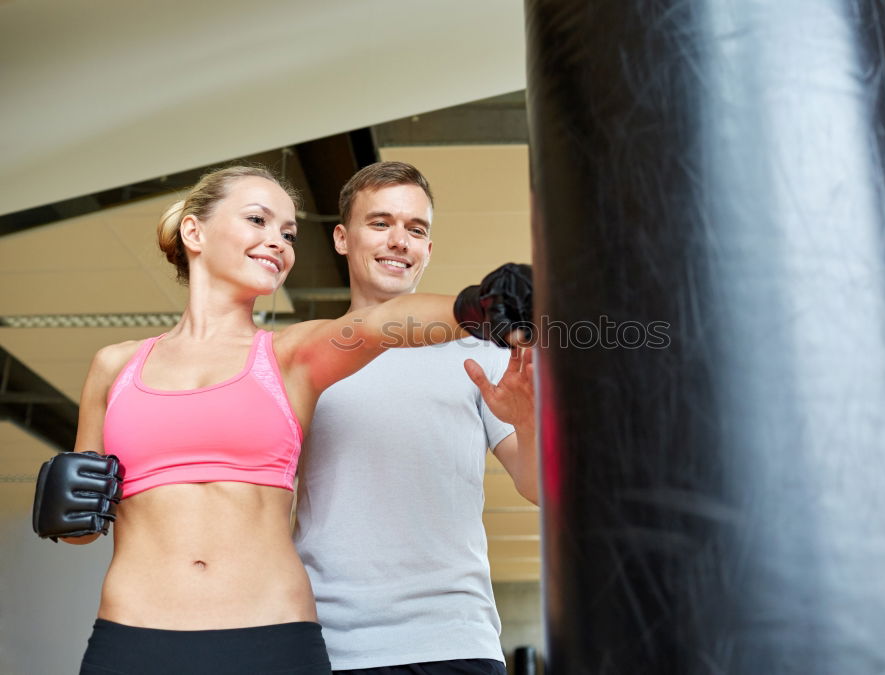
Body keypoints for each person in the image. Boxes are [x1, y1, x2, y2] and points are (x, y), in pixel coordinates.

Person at [30, 165, 529, 675]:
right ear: (194, 231)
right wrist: (65, 514)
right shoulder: (115, 366)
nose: (279, 242)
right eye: (258, 220)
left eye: (288, 234)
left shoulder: (291, 355)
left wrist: (480, 307)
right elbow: (81, 530)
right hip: (132, 635)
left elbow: (380, 324)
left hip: (271, 636)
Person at [293, 161, 538, 674]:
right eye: (380, 223)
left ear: (428, 249)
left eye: (416, 229)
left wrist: (529, 420)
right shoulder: (303, 358)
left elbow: (538, 487)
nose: (399, 240)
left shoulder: (480, 351)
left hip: (455, 639)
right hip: (332, 643)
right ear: (342, 237)